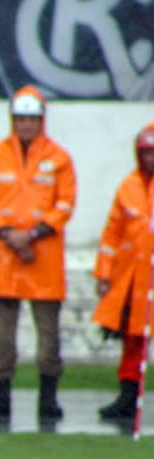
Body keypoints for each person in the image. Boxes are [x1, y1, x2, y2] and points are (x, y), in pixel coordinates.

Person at [0, 84, 77, 421]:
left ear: (41, 120)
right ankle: (0, 396)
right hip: (4, 257)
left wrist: (31, 235)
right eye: (20, 119)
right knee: (2, 333)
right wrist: (11, 236)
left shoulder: (59, 158)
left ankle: (48, 398)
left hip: (43, 257)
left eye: (31, 119)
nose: (26, 125)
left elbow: (65, 204)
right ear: (13, 120)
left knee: (48, 333)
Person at [91, 123, 154, 421]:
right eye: (146, 153)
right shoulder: (128, 186)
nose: (150, 159)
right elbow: (112, 234)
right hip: (133, 278)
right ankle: (128, 396)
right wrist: (104, 273)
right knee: (132, 340)